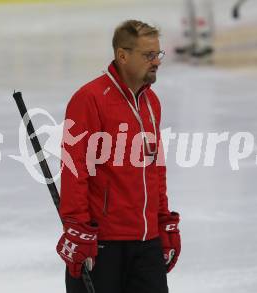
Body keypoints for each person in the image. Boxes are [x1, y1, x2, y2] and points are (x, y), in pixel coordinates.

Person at [56, 20, 181, 293]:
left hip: (147, 244)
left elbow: (155, 169)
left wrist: (162, 222)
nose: (156, 62)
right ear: (123, 56)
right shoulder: (90, 99)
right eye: (148, 55)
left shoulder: (151, 103)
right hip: (104, 246)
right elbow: (74, 169)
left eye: (158, 54)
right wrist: (76, 228)